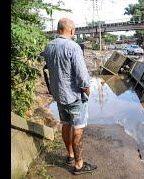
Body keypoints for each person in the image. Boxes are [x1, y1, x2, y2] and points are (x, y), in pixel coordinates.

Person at [43, 18, 97, 175]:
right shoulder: (73, 47)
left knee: (66, 125)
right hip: (74, 97)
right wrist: (87, 91)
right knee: (78, 130)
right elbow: (82, 77)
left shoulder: (49, 46)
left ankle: (70, 155)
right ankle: (79, 165)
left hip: (59, 96)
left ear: (58, 29)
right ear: (72, 31)